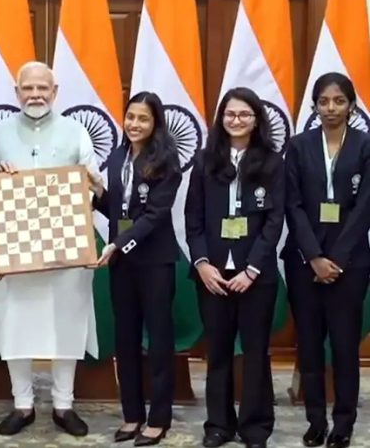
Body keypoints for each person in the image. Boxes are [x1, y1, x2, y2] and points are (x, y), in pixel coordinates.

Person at [0, 61, 98, 437]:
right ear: (16, 93)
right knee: (14, 325)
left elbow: (94, 189)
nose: (35, 95)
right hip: (14, 252)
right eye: (28, 89)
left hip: (66, 253)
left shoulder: (77, 132)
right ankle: (23, 404)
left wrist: (92, 184)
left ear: (55, 91)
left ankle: (64, 405)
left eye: (42, 89)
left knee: (67, 325)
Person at [185, 87, 284, 448]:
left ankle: (255, 428)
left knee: (256, 352)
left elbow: (274, 221)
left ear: (256, 119)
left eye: (244, 114)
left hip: (254, 276)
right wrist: (202, 265)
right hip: (212, 275)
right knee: (219, 352)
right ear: (221, 119)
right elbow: (192, 218)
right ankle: (218, 426)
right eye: (230, 114)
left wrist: (252, 270)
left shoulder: (272, 161)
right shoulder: (203, 160)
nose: (236, 120)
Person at [282, 72, 370, 448]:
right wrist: (315, 256)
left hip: (350, 264)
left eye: (338, 101)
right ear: (314, 106)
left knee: (345, 345)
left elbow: (365, 205)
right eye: (323, 101)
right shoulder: (299, 146)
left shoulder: (366, 145)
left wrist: (336, 258)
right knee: (311, 344)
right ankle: (316, 420)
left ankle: (344, 423)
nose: (331, 108)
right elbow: (292, 204)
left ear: (351, 105)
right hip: (304, 263)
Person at [89, 92, 181, 446]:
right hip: (123, 263)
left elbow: (156, 215)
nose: (134, 124)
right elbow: (117, 207)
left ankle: (158, 419)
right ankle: (131, 415)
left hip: (155, 261)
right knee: (124, 338)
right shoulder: (117, 156)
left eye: (143, 119)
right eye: (130, 117)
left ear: (155, 122)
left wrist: (117, 243)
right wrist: (96, 193)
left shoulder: (166, 160)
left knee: (158, 340)